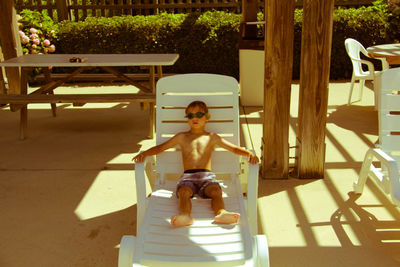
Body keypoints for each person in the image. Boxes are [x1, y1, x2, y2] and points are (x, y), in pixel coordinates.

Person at [133, 100, 259, 227]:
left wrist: (248, 153)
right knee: (183, 193)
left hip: (207, 176)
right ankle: (185, 216)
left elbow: (233, 148)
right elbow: (161, 148)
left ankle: (221, 213)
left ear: (207, 118)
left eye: (199, 115)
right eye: (191, 116)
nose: (195, 118)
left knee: (216, 191)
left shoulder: (212, 137)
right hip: (188, 177)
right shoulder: (181, 137)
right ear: (187, 118)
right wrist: (145, 153)